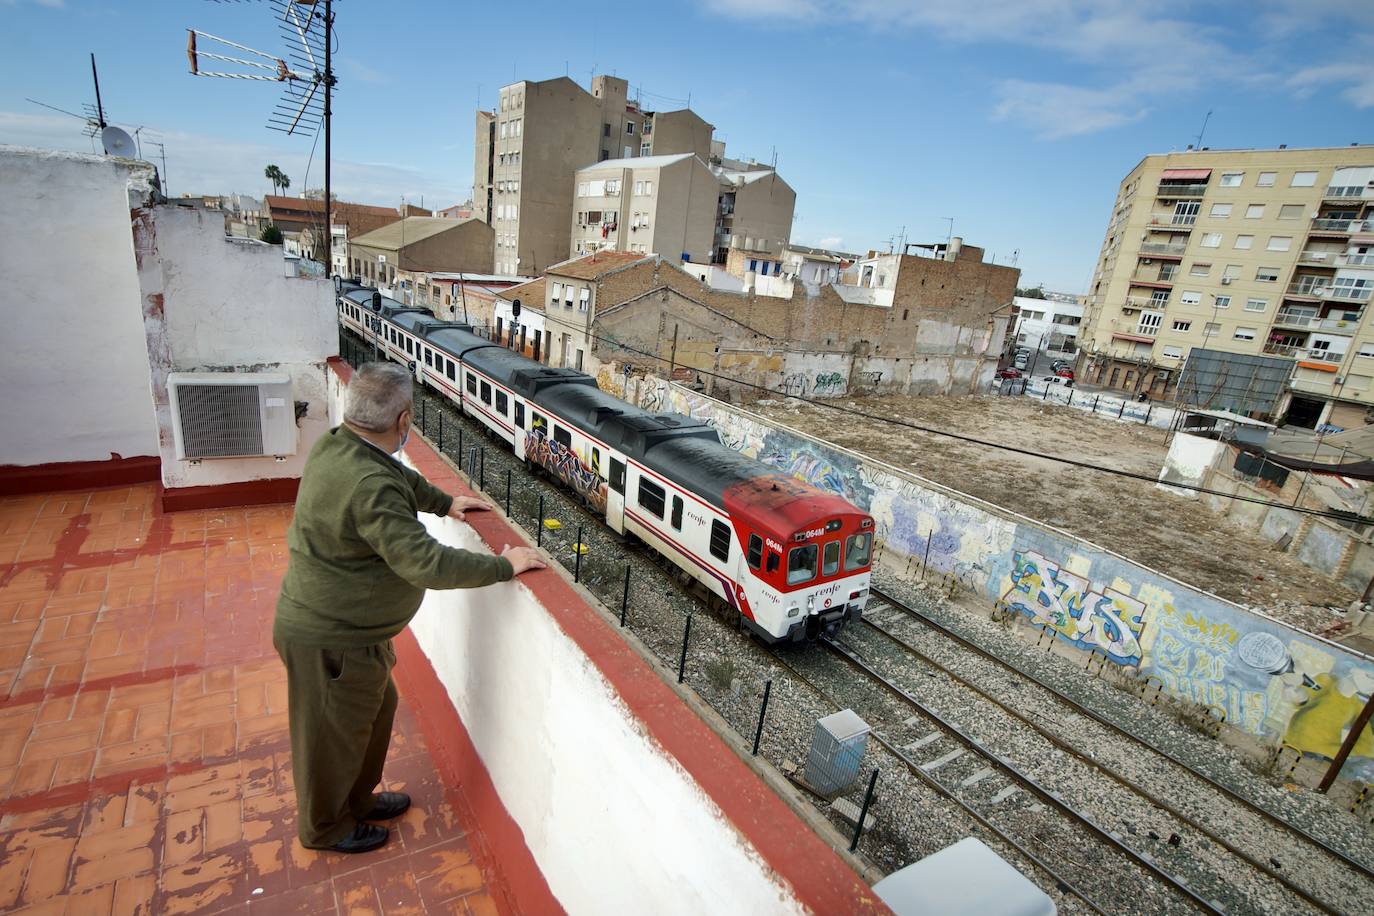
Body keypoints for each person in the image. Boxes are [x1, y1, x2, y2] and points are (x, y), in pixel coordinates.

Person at [273, 362, 545, 853]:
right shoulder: (366, 483)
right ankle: (325, 827)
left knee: (374, 713)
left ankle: (357, 799)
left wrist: (445, 503)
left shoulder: (341, 445)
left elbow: (395, 478)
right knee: (331, 739)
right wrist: (503, 567)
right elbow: (427, 563)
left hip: (352, 631)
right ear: (403, 421)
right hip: (330, 637)